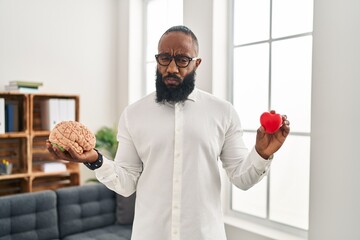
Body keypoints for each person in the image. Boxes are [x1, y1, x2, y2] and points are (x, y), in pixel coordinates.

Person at [47, 25, 290, 240]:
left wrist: (261, 153)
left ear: (197, 63)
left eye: (182, 59)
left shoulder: (223, 112)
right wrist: (95, 160)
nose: (171, 67)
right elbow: (126, 182)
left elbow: (241, 178)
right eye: (164, 58)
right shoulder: (134, 114)